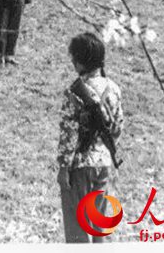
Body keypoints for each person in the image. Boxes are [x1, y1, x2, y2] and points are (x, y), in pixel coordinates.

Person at [57, 32, 124, 244]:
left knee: (78, 230)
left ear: (80, 62)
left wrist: (63, 168)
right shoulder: (113, 89)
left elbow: (69, 134)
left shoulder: (74, 93)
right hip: (104, 163)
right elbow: (117, 128)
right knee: (99, 226)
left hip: (79, 166)